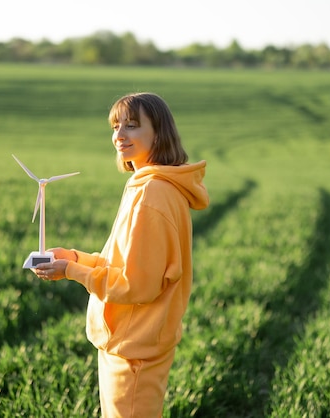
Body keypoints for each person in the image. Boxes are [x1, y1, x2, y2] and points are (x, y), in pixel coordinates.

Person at [33, 92, 209, 417]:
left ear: (158, 133)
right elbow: (123, 263)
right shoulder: (148, 185)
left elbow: (136, 285)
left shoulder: (152, 194)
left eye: (132, 126)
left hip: (134, 348)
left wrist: (71, 272)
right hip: (132, 342)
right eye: (116, 126)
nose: (119, 136)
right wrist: (73, 257)